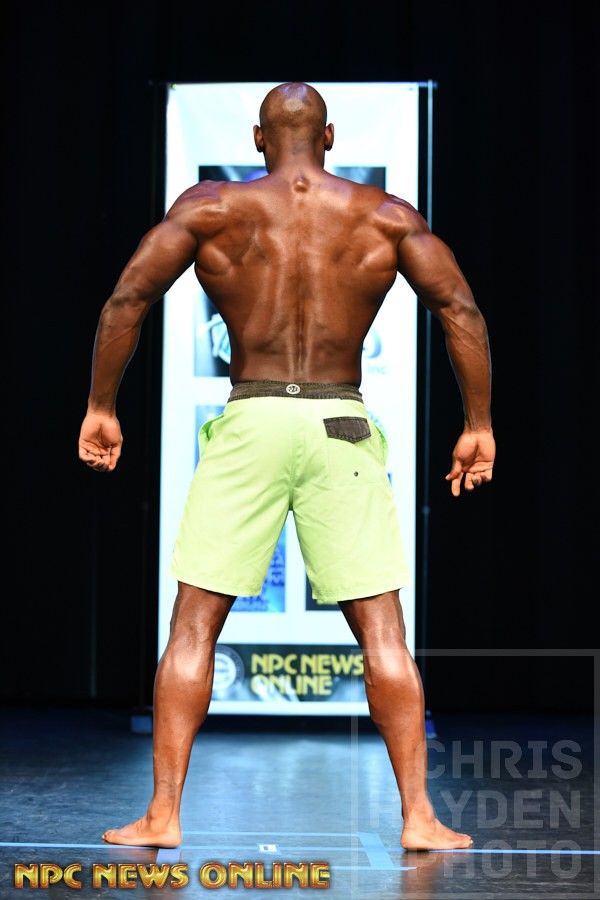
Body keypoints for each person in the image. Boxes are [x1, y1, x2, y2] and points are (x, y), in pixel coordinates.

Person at [78, 82, 494, 851]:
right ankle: (419, 817)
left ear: (257, 137)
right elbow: (460, 310)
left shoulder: (211, 208)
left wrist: (103, 405)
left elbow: (127, 299)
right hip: (341, 424)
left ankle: (164, 814)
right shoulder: (385, 216)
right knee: (383, 633)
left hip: (253, 419)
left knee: (194, 624)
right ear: (329, 138)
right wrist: (478, 424)